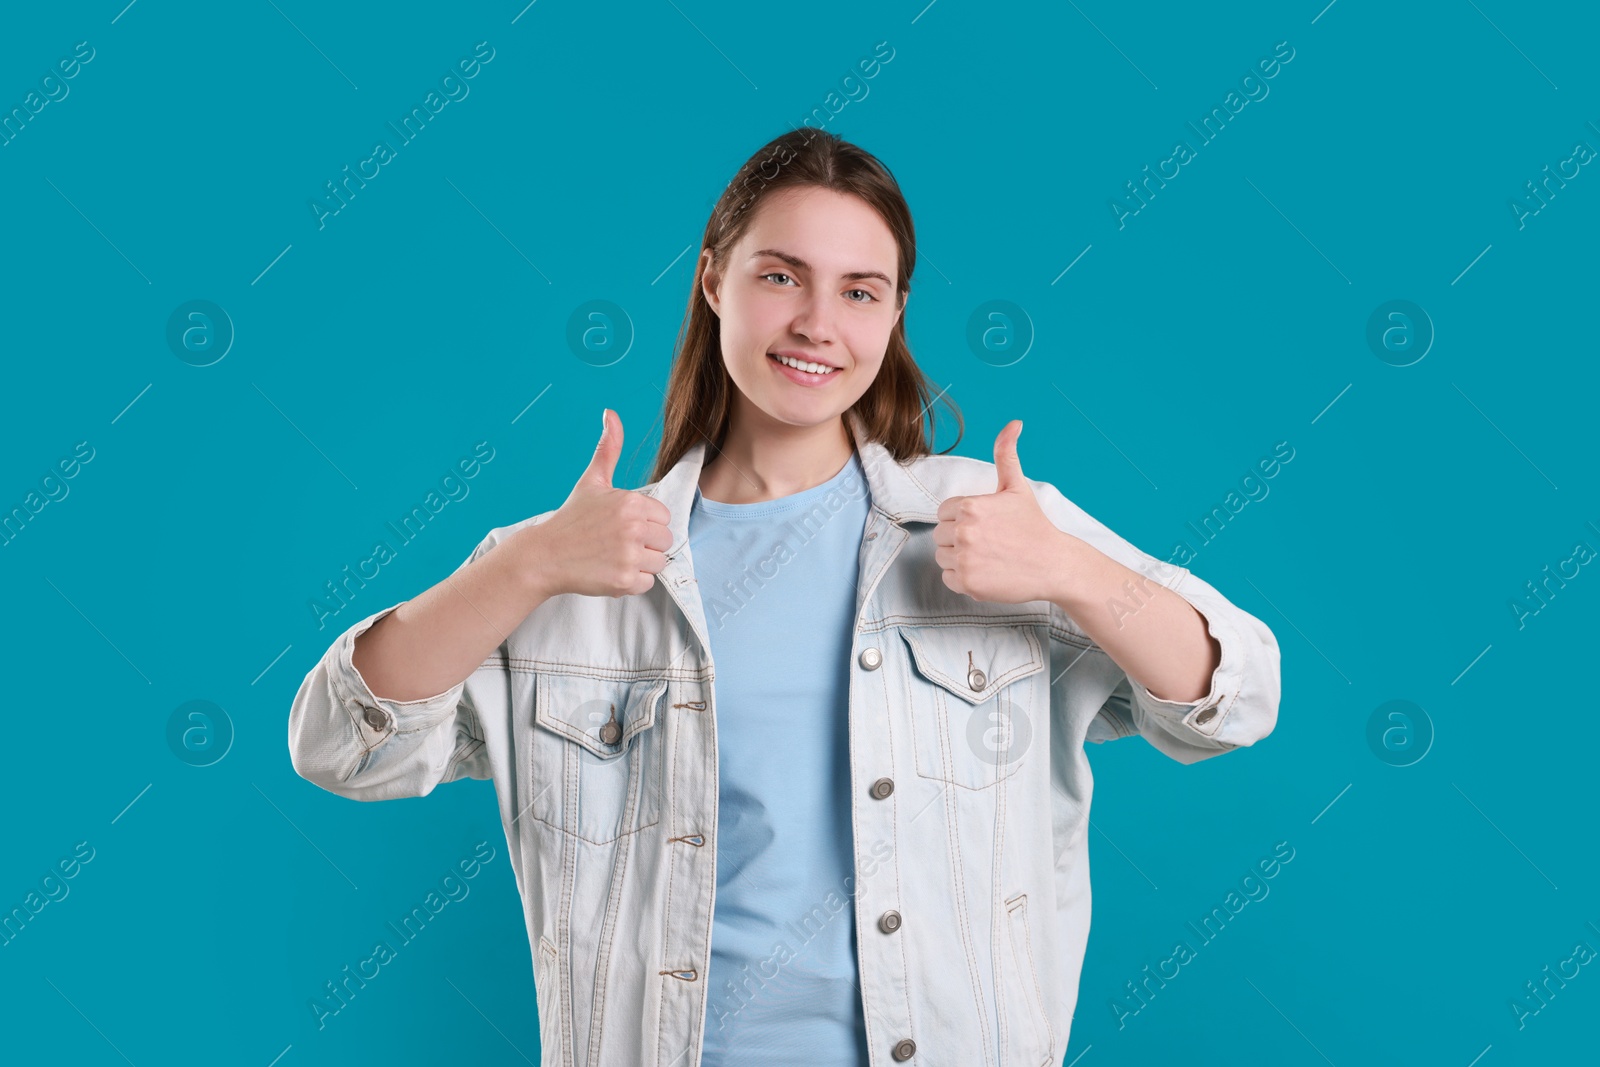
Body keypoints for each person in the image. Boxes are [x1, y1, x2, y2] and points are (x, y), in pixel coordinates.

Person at [287, 128, 1281, 1066]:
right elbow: (342, 743)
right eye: (779, 276)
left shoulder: (988, 521)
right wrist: (523, 568)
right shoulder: (570, 561)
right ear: (714, 280)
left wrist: (1072, 569)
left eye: (860, 291)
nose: (816, 323)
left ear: (893, 316)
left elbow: (1234, 699)